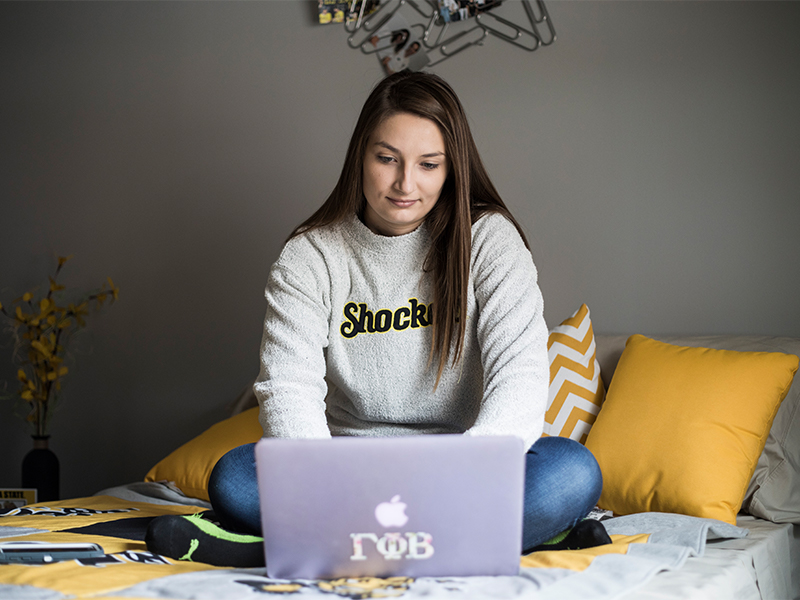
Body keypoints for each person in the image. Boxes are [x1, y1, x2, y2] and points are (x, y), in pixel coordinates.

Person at [146, 71, 609, 568]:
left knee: (572, 471)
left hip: (461, 471)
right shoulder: (309, 255)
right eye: (387, 159)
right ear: (360, 157)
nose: (405, 184)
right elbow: (287, 390)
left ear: (453, 168)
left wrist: (460, 477)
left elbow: (520, 378)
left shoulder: (490, 241)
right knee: (235, 475)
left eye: (429, 165)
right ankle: (502, 540)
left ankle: (296, 546)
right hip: (346, 473)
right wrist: (336, 483)